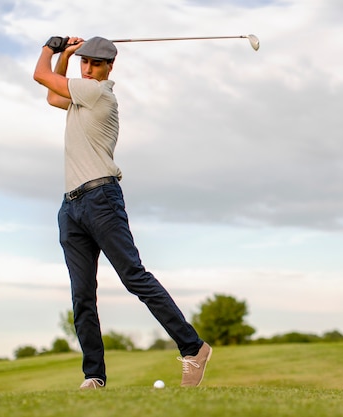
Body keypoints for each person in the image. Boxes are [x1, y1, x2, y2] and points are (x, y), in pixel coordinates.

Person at [33, 35, 211, 390]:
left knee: (134, 277)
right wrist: (67, 56)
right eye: (84, 62)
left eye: (94, 63)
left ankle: (194, 347)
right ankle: (94, 376)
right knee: (81, 295)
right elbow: (53, 95)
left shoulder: (97, 94)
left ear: (109, 67)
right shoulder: (79, 98)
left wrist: (50, 50)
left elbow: (41, 77)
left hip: (100, 199)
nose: (87, 68)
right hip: (71, 207)